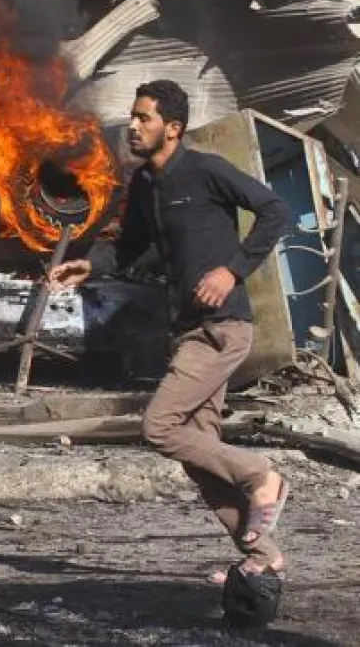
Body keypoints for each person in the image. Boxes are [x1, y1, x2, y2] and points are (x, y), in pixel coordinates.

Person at [48, 80, 293, 583]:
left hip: (222, 329)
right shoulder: (144, 185)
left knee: (159, 427)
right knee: (199, 456)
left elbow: (275, 210)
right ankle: (263, 555)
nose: (133, 127)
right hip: (186, 331)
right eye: (133, 117)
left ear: (173, 129)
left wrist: (232, 270)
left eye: (144, 119)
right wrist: (88, 266)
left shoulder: (206, 171)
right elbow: (128, 246)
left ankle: (261, 475)